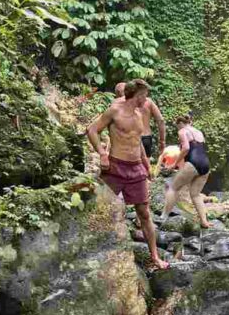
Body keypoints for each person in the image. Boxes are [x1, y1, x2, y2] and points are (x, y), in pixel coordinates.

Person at [86, 79, 169, 271]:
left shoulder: (140, 112)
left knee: (144, 214)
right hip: (115, 167)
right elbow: (92, 130)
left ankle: (155, 257)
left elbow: (137, 140)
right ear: (137, 95)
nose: (146, 98)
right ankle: (98, 252)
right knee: (103, 209)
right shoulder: (114, 110)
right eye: (144, 95)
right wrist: (102, 153)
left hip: (136, 168)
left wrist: (147, 165)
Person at [161, 115, 211, 228]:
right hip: (206, 164)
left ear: (179, 124)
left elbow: (187, 148)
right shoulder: (199, 132)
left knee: (173, 188)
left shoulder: (182, 131)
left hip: (194, 162)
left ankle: (163, 217)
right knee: (195, 194)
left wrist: (174, 164)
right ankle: (204, 221)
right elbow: (198, 148)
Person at [114, 79, 166, 159]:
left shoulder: (119, 104)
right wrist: (162, 141)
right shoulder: (149, 102)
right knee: (145, 165)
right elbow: (161, 120)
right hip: (146, 137)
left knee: (130, 164)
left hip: (130, 138)